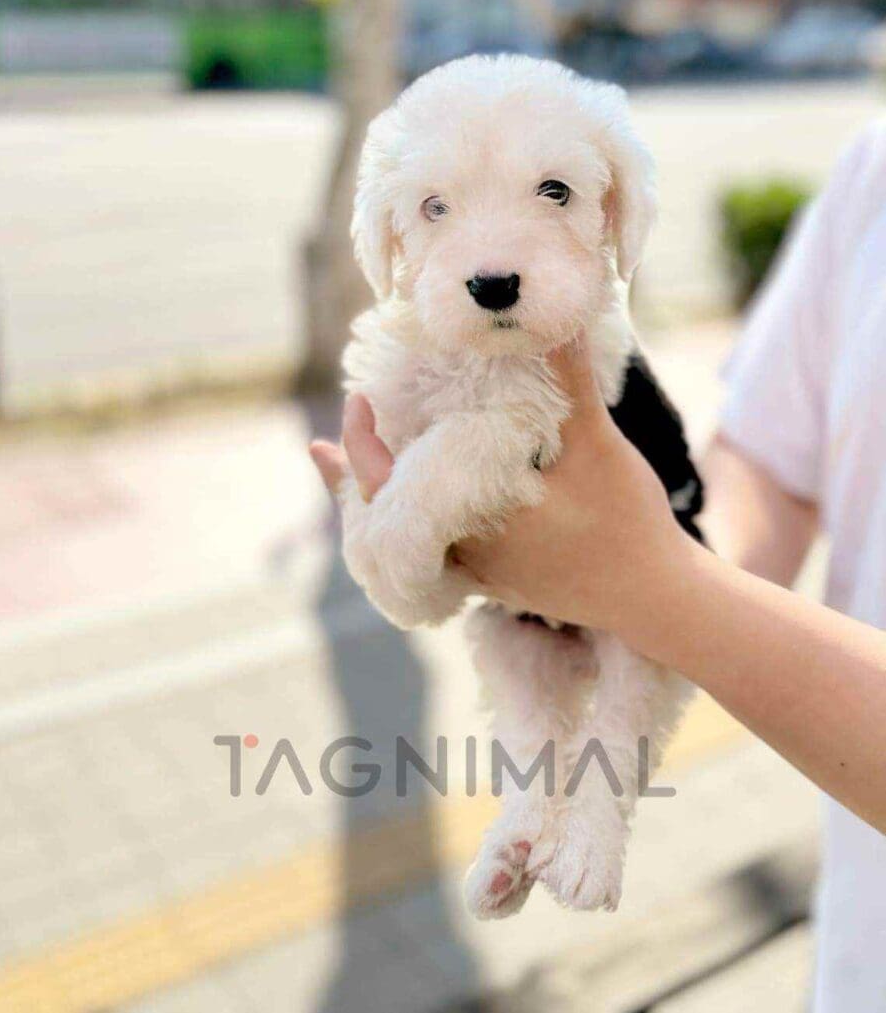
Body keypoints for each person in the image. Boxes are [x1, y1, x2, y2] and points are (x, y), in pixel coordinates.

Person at [310, 122, 886, 1011]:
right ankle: (532, 812)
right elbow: (770, 463)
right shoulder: (871, 172)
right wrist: (606, 563)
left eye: (554, 193)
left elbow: (663, 580)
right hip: (859, 957)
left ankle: (586, 819)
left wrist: (652, 584)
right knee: (525, 666)